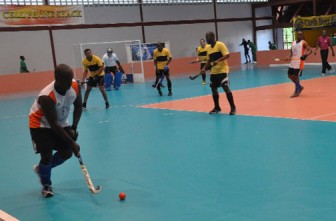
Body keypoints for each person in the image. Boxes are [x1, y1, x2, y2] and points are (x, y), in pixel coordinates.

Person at [29, 64, 82, 198]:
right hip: (40, 124)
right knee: (46, 156)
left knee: (67, 152)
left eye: (71, 79)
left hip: (60, 122)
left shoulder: (74, 86)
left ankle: (42, 170)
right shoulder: (47, 96)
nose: (70, 84)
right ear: (57, 79)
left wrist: (74, 129)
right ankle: (46, 186)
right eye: (66, 81)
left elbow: (78, 107)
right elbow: (54, 125)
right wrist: (72, 142)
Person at [201, 31, 236, 115]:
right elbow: (210, 60)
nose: (206, 39)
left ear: (213, 37)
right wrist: (204, 68)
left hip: (223, 70)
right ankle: (217, 107)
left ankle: (233, 107)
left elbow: (227, 55)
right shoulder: (208, 47)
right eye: (206, 37)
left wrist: (218, 60)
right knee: (214, 89)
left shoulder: (220, 44)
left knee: (225, 88)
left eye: (208, 37)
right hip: (214, 72)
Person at [285, 31, 312, 98]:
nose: (298, 36)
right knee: (289, 75)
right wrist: (288, 56)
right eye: (298, 35)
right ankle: (299, 86)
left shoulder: (303, 42)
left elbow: (310, 50)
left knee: (296, 76)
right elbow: (291, 52)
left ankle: (296, 91)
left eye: (300, 35)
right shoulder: (293, 42)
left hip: (299, 62)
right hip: (292, 62)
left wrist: (306, 55)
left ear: (302, 36)